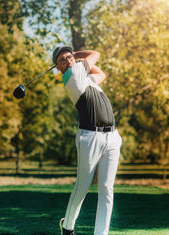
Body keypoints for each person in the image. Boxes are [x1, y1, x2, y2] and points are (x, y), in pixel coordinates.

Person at [53, 46, 122, 235]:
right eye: (62, 60)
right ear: (59, 68)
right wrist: (76, 56)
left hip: (112, 136)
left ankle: (101, 233)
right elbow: (96, 55)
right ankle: (67, 227)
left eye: (69, 57)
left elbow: (101, 73)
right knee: (82, 186)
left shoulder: (86, 80)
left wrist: (74, 57)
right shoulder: (71, 74)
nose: (67, 60)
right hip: (90, 136)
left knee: (107, 189)